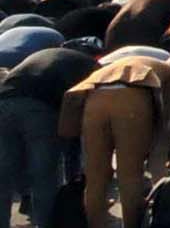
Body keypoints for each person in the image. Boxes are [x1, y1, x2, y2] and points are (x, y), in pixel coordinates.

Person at [65, 53, 170, 228]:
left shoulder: (115, 64)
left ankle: (95, 224)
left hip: (95, 98)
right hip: (132, 98)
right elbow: (167, 116)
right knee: (130, 175)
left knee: (95, 176)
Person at [0, 41, 99, 228]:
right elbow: (80, 116)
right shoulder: (90, 67)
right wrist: (75, 176)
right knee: (44, 175)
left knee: (4, 172)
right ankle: (44, 224)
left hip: (4, 102)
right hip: (41, 109)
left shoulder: (47, 54)